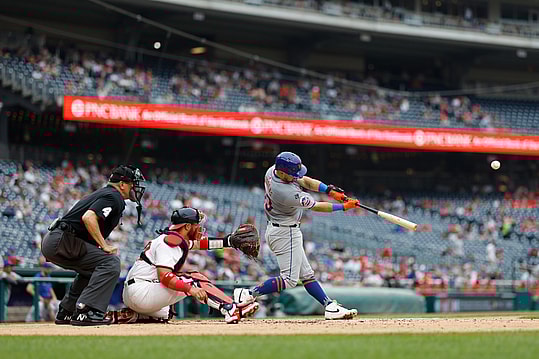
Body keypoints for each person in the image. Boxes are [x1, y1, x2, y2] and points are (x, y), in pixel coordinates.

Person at [246, 151, 359, 319]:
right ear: (283, 172)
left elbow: (304, 180)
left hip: (281, 229)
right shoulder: (285, 192)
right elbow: (317, 206)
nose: (295, 177)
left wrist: (329, 190)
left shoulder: (273, 171)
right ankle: (248, 293)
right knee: (290, 280)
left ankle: (329, 306)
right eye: (292, 174)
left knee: (307, 275)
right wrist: (343, 207)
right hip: (285, 232)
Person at [109, 207, 259, 324]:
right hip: (141, 291)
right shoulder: (169, 243)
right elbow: (165, 277)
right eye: (196, 225)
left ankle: (128, 315)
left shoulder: (173, 238)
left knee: (166, 313)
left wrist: (227, 242)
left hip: (135, 292)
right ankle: (230, 307)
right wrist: (190, 289)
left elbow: (202, 244)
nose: (199, 228)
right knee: (193, 278)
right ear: (187, 226)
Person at [41, 165, 146, 326]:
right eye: (133, 184)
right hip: (64, 241)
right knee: (110, 262)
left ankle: (67, 311)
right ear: (123, 184)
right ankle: (87, 311)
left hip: (58, 239)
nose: (136, 188)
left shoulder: (107, 194)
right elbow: (89, 217)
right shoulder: (114, 196)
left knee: (92, 268)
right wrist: (104, 245)